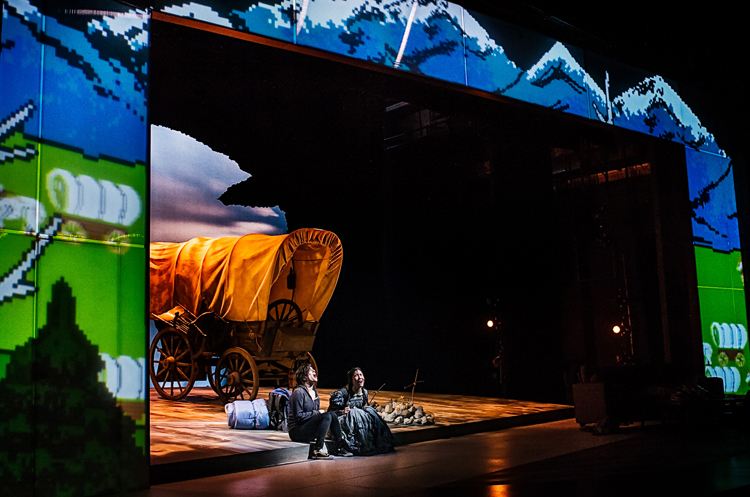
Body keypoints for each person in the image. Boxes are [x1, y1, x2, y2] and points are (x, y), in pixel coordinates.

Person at [288, 363, 353, 459]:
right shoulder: (298, 392)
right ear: (304, 378)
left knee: (332, 415)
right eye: (311, 370)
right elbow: (298, 417)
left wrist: (340, 412)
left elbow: (320, 416)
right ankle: (318, 450)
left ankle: (339, 447)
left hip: (308, 427)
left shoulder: (315, 393)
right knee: (326, 416)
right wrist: (317, 413)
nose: (314, 371)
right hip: (297, 431)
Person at [328, 367, 395, 456]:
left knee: (369, 411)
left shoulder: (364, 393)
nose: (360, 377)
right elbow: (331, 413)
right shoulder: (343, 394)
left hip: (355, 420)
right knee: (355, 413)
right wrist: (342, 412)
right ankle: (346, 446)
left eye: (361, 375)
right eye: (356, 375)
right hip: (341, 421)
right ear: (351, 380)